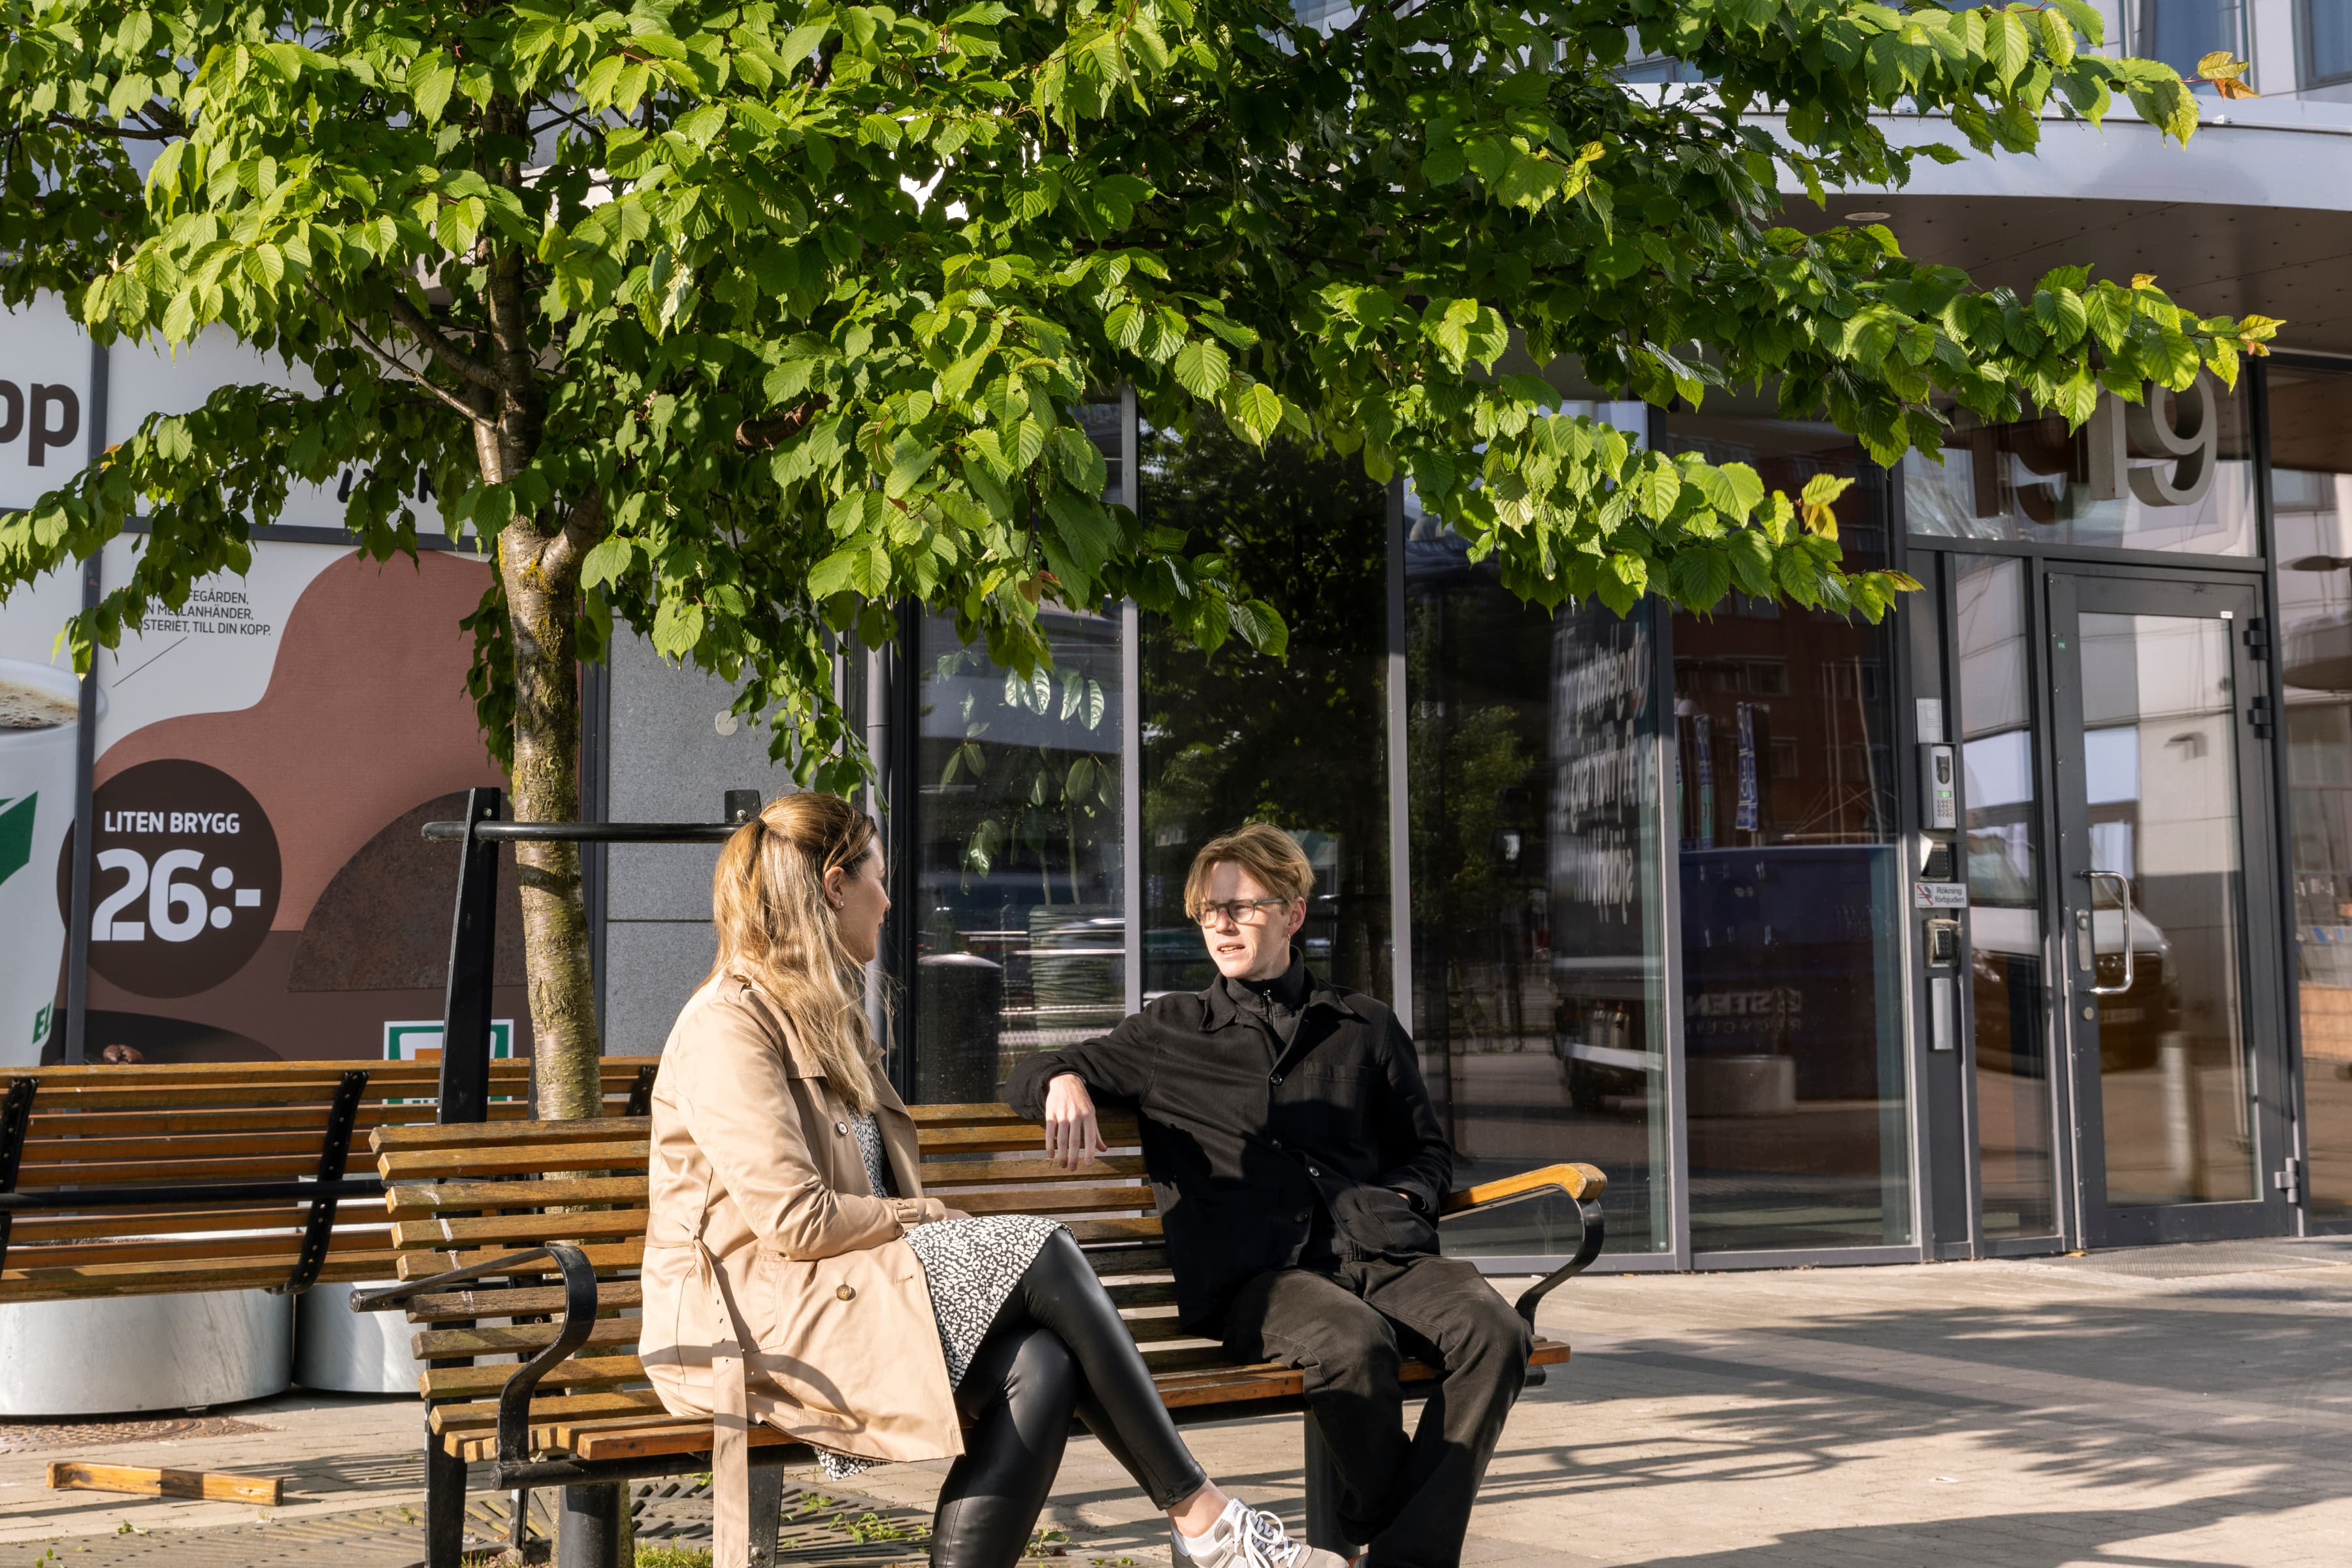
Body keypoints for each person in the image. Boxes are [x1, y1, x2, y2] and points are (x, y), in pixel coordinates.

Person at [638, 792, 1348, 1568]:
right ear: (837, 885)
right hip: (750, 1330)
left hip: (836, 1299)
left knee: (1041, 1366)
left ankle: (1205, 1527)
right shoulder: (728, 1025)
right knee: (1039, 1246)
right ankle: (1206, 1520)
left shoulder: (825, 1016)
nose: (888, 899)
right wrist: (931, 1216)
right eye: (880, 878)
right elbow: (794, 1222)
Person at [1007, 824, 1532, 1568]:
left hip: (1381, 1252)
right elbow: (1033, 1070)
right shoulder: (1169, 1033)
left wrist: (1409, 1201)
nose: (1221, 923)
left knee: (1497, 1331)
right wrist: (1060, 1081)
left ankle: (1398, 1553)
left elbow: (1425, 1151)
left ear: (1293, 912)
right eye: (1208, 910)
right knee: (1352, 1343)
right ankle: (1403, 1538)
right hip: (1262, 1280)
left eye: (1242, 907)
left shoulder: (1365, 1026)